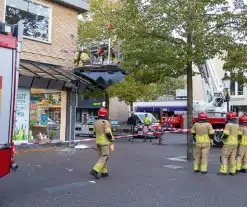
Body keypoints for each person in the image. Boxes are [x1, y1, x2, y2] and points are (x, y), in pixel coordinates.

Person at [90, 107, 115, 179]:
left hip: (98, 141)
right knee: (104, 156)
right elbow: (108, 132)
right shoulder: (106, 122)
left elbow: (94, 132)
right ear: (106, 114)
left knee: (102, 157)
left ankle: (104, 172)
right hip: (105, 142)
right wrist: (111, 139)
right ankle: (95, 170)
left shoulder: (95, 122)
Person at [218, 112, 240, 176]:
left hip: (228, 143)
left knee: (224, 156)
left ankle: (223, 171)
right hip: (235, 144)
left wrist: (221, 138)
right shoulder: (237, 125)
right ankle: (232, 171)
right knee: (232, 157)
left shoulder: (228, 125)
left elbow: (225, 134)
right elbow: (239, 136)